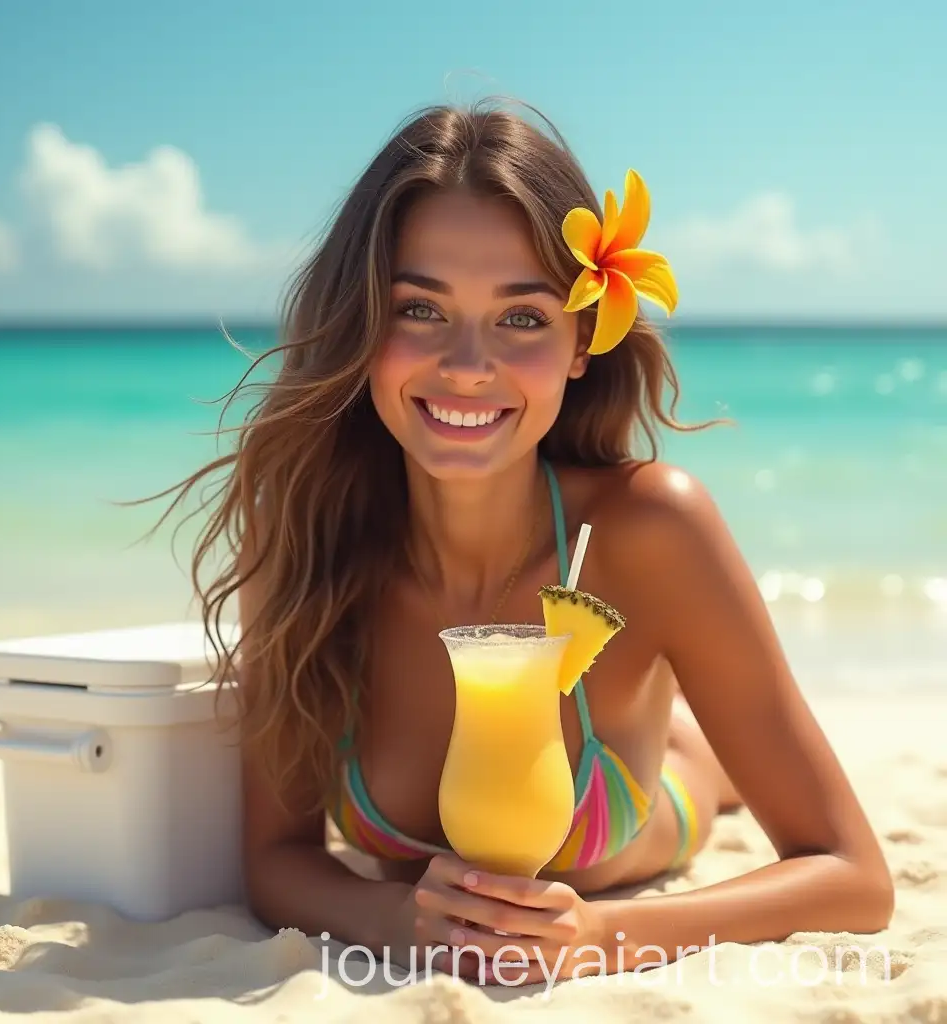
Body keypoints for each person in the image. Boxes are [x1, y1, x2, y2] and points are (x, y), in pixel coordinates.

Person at [163, 99, 893, 984]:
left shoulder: (650, 530)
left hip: (639, 815)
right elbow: (277, 860)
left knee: (693, 776)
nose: (468, 364)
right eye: (420, 309)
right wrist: (400, 919)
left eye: (521, 318)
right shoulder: (308, 538)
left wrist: (598, 941)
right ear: (361, 327)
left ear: (583, 340)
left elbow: (856, 881)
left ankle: (694, 760)